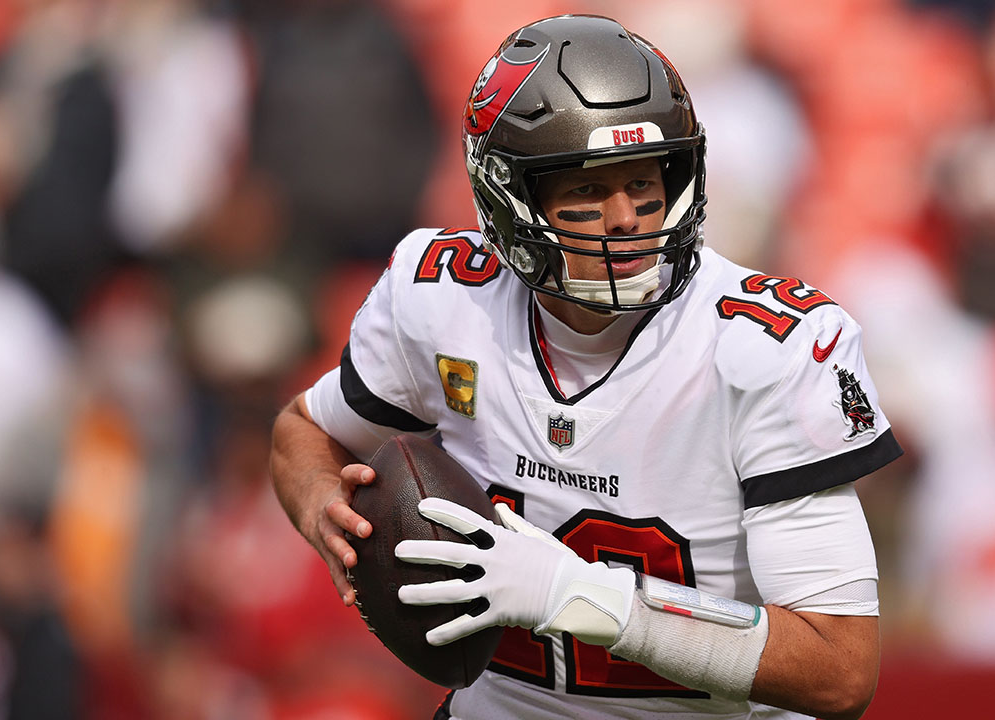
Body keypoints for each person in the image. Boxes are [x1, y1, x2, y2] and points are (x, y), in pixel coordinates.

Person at [270, 14, 902, 720]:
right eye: (586, 191)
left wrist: (581, 597)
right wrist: (323, 505)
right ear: (507, 198)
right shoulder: (444, 299)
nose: (626, 216)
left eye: (643, 182)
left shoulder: (764, 350)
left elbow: (841, 668)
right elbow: (301, 432)